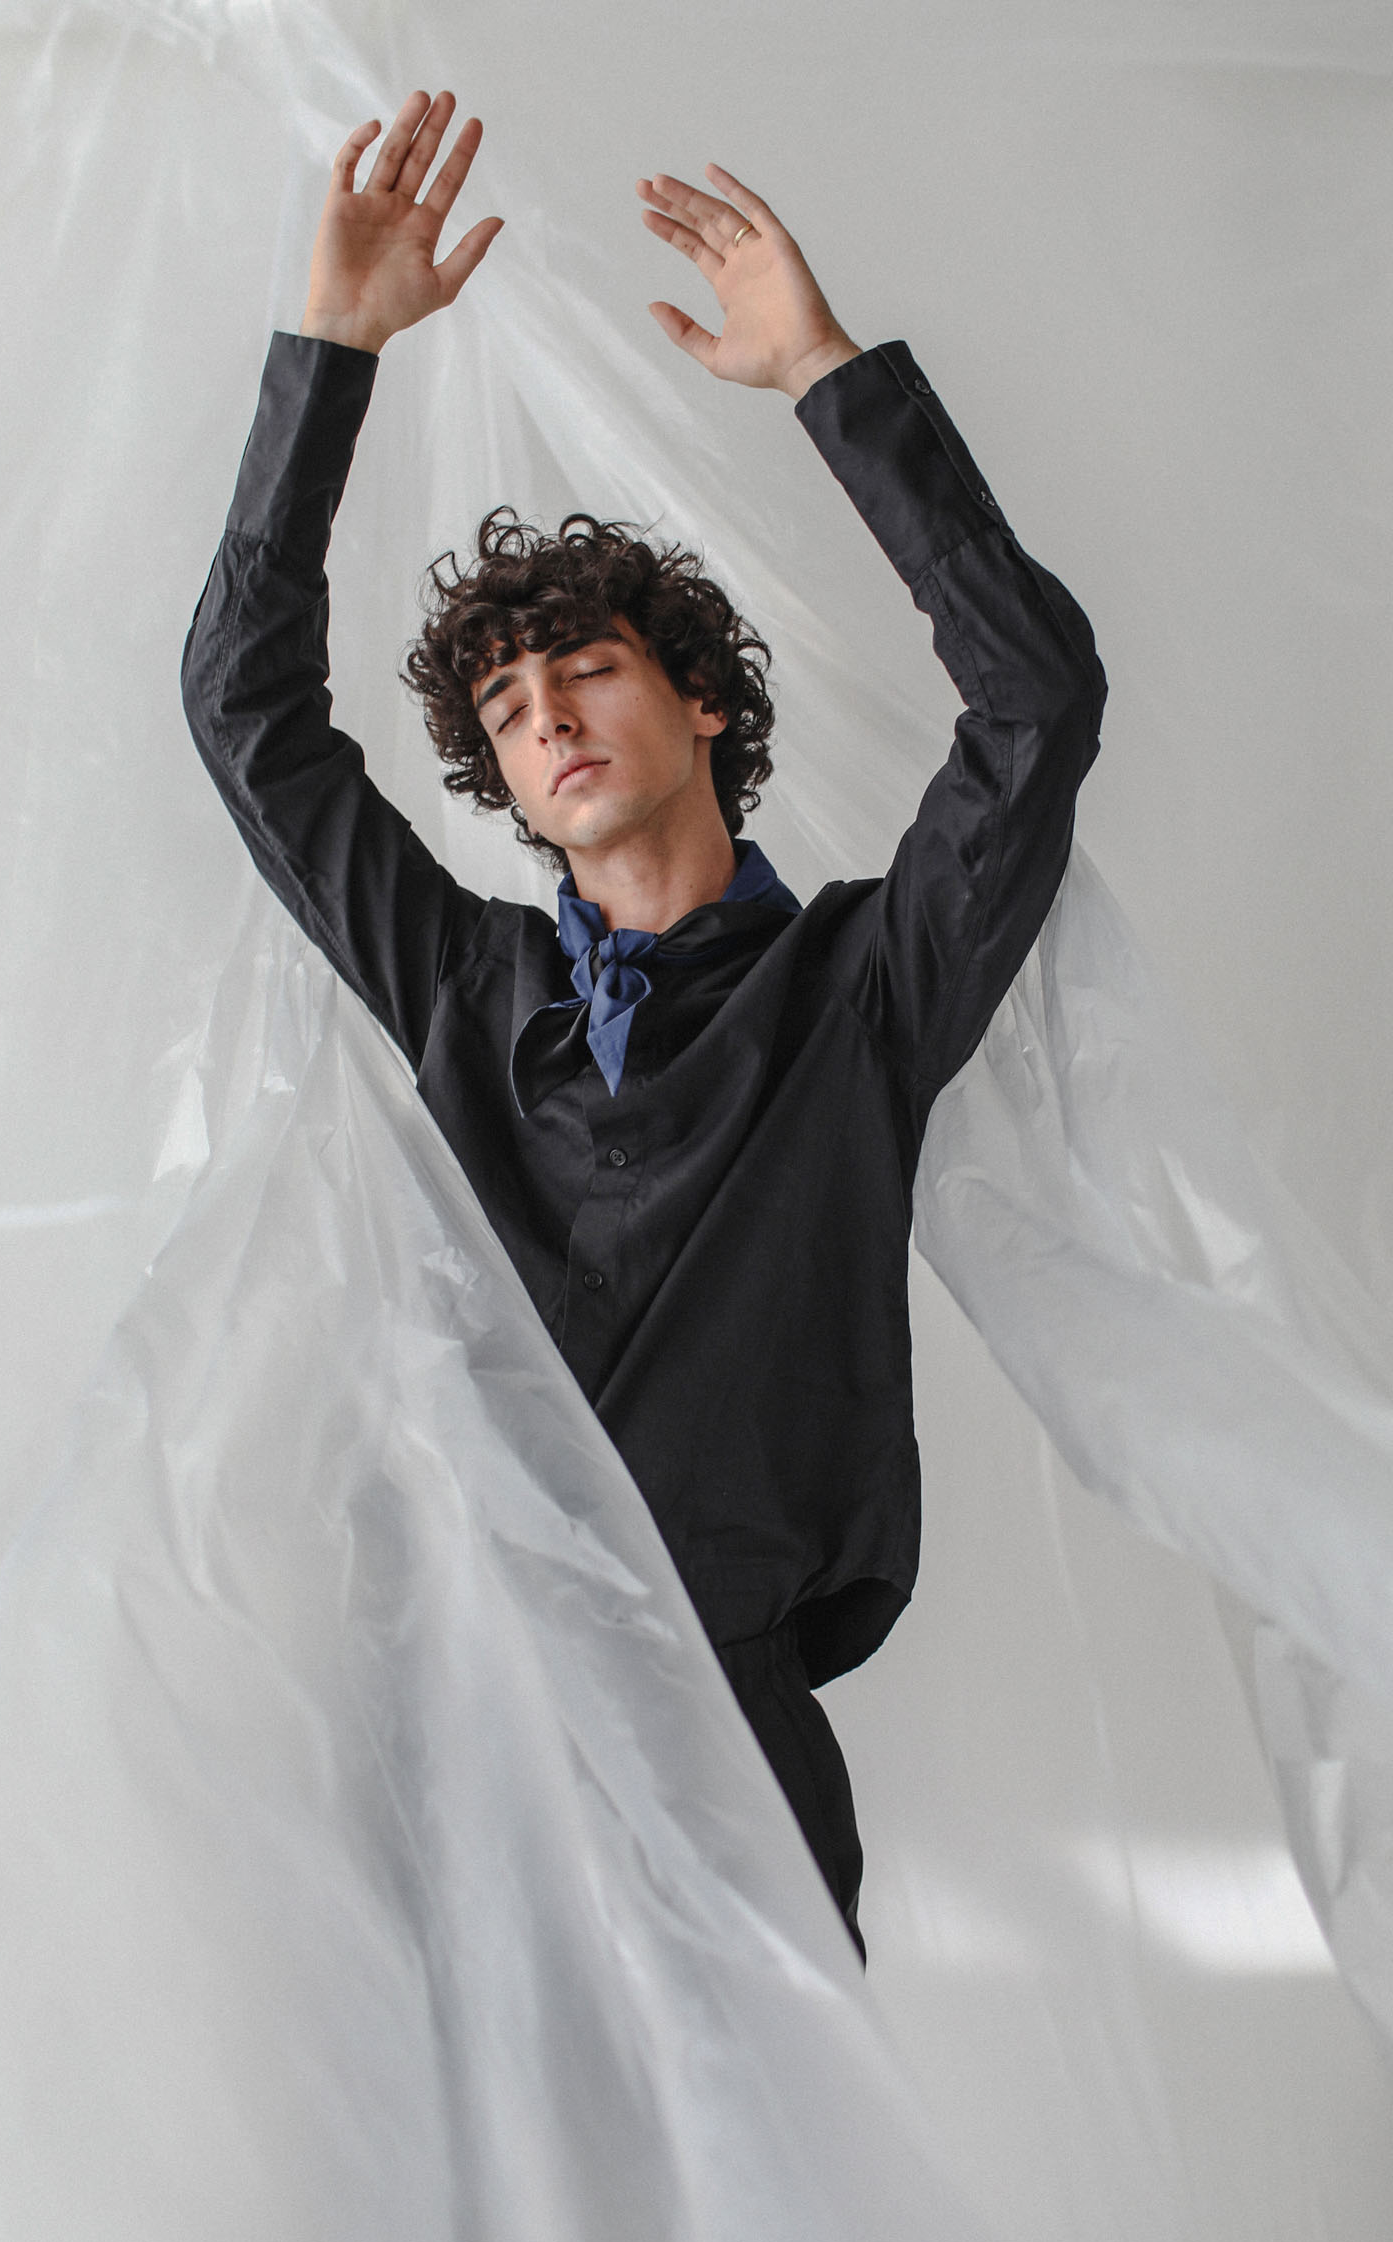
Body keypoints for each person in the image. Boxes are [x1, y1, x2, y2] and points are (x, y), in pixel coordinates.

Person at [182, 91, 1105, 1957]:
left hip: (727, 1747)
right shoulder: (465, 983)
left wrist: (829, 377)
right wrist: (329, 358)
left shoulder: (863, 986)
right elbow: (247, 714)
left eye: (587, 669)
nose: (547, 716)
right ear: (507, 786)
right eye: (508, 711)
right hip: (451, 1725)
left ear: (701, 706)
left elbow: (1035, 704)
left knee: (773, 2160)